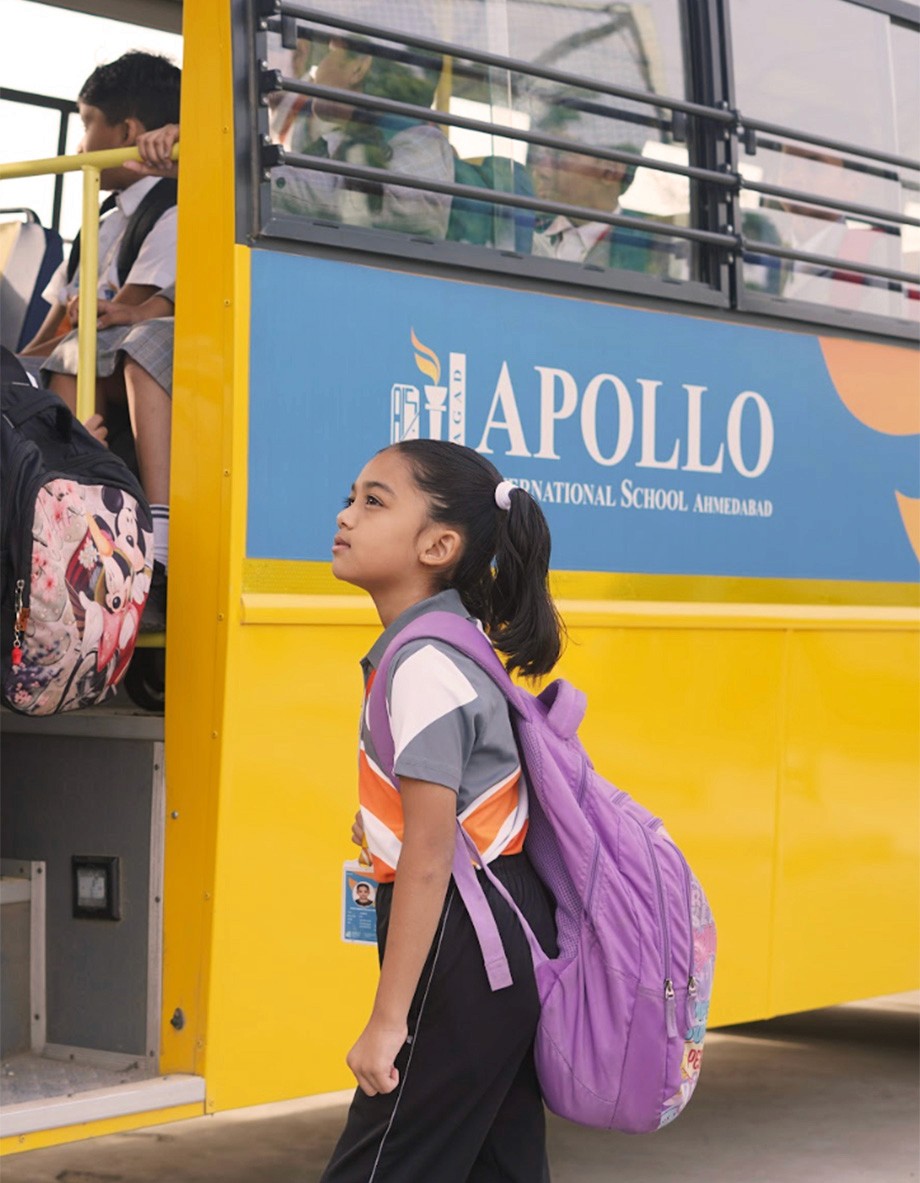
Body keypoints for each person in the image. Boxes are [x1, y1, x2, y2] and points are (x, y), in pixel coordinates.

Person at [323, 440, 561, 1183]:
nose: (346, 515)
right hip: (499, 925)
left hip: (464, 937)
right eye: (351, 497)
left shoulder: (424, 663)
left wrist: (388, 1021)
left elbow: (429, 860)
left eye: (374, 501)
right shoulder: (451, 643)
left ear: (438, 546)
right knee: (500, 1167)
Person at [19, 53, 181, 629]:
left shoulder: (172, 210)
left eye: (87, 122)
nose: (81, 143)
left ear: (127, 131)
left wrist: (77, 326)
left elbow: (125, 316)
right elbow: (48, 335)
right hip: (88, 350)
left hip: (124, 355)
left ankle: (130, 533)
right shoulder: (101, 220)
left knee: (79, 354)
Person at [270, 30, 453, 239]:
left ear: (359, 68)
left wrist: (259, 179)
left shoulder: (425, 143)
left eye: (328, 53)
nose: (316, 72)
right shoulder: (333, 143)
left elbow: (361, 201)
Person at [529, 93, 671, 275]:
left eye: (561, 154)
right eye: (544, 152)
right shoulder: (523, 227)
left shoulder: (654, 250)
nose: (541, 169)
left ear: (610, 171)